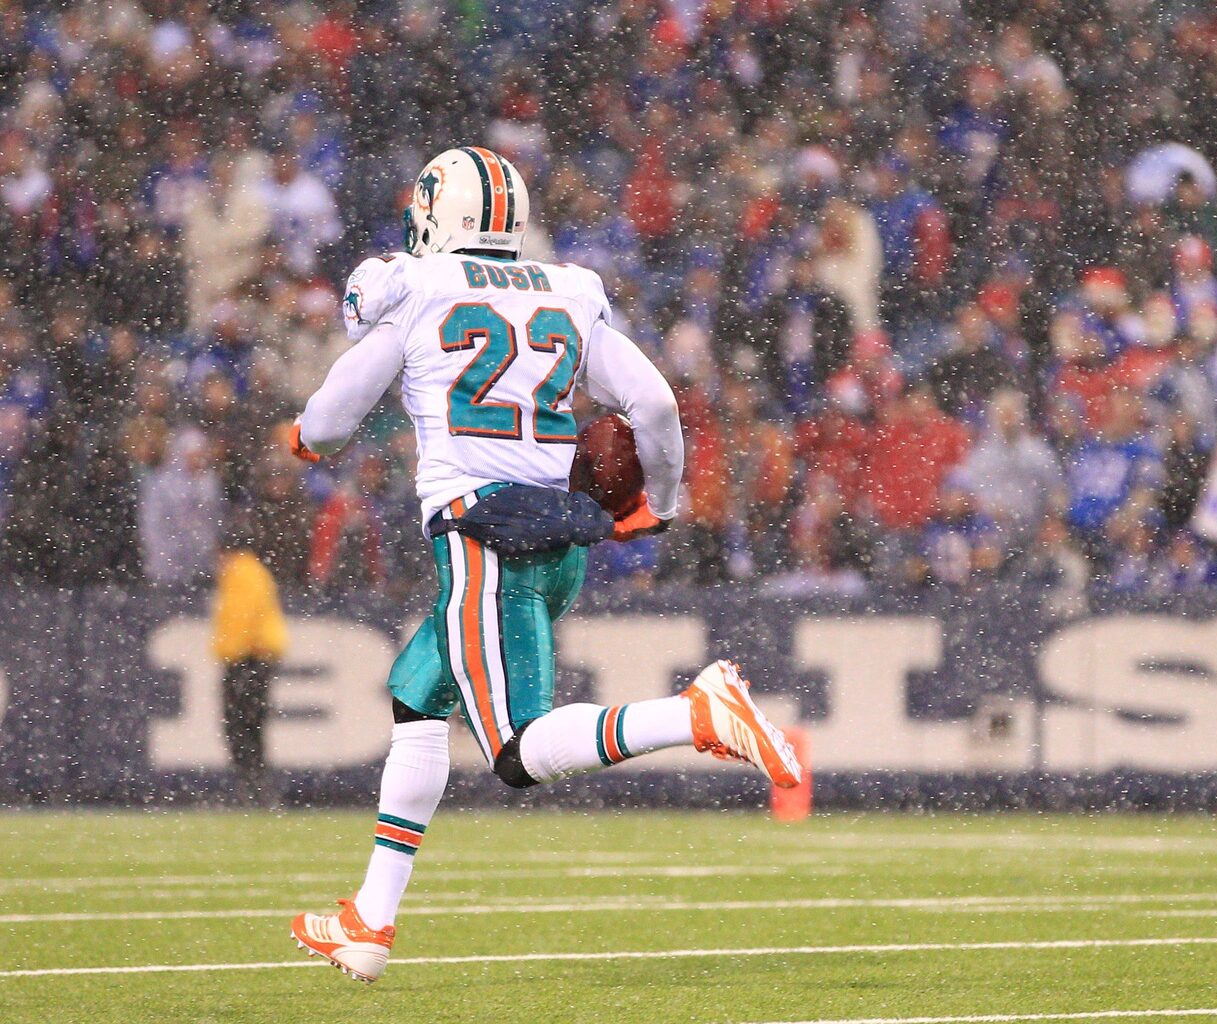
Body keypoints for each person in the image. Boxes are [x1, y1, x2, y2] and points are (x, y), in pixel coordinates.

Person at [287, 148, 800, 982]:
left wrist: (306, 436)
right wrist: (658, 504)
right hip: (556, 543)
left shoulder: (413, 287)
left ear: (431, 212)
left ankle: (696, 713)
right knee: (417, 691)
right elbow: (655, 404)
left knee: (517, 754)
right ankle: (368, 921)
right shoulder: (569, 287)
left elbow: (336, 412)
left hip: (482, 539)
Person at [210, 517, 287, 805]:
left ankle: (253, 789)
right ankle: (258, 790)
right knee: (252, 728)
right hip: (256, 660)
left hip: (247, 660)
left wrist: (229, 656)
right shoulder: (252, 571)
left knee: (240, 728)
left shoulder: (241, 573)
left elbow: (239, 620)